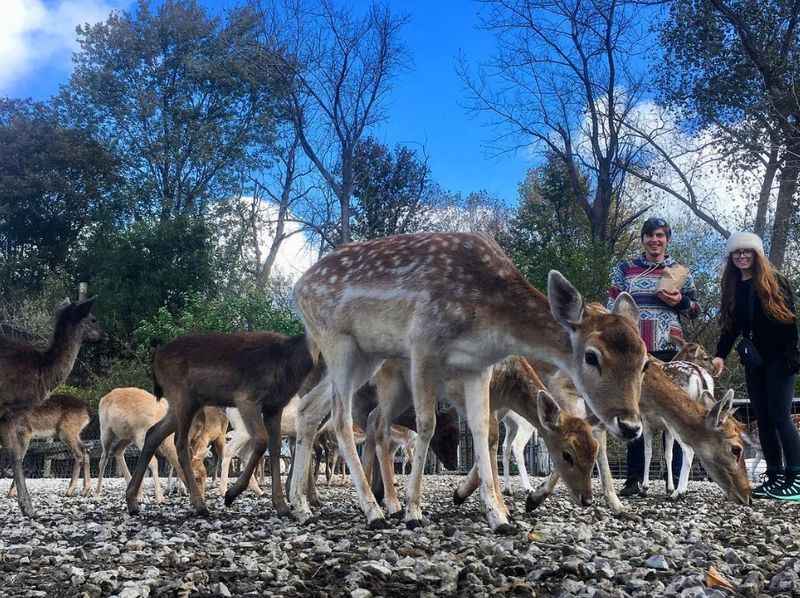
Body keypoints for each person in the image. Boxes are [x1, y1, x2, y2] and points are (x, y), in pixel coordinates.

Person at [608, 217, 701, 496]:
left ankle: (671, 480)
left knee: (672, 409)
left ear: (667, 239)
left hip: (670, 348)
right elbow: (612, 304)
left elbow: (695, 310)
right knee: (633, 408)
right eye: (649, 236)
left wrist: (680, 301)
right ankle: (635, 479)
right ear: (643, 239)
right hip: (635, 350)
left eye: (660, 235)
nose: (654, 241)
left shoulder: (679, 270)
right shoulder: (625, 269)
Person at [711, 232, 800, 501]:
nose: (741, 256)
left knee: (780, 416)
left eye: (747, 252)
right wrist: (720, 355)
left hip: (781, 359)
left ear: (757, 255)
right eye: (737, 253)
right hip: (755, 362)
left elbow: (790, 322)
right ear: (732, 257)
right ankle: (774, 476)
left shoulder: (775, 282)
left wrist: (790, 357)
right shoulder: (734, 287)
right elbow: (730, 328)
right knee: (763, 418)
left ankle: (795, 478)